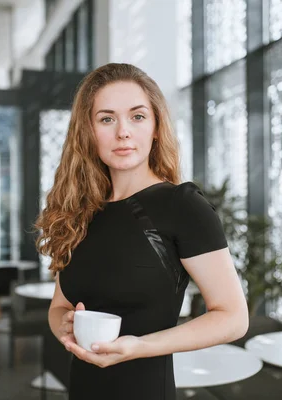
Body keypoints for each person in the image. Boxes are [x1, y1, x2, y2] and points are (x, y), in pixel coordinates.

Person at [35, 63, 248, 400]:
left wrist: (140, 347)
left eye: (137, 116)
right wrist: (65, 324)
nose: (123, 132)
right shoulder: (79, 211)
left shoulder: (182, 205)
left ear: (155, 127)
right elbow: (58, 307)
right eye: (107, 119)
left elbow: (233, 318)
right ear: (88, 131)